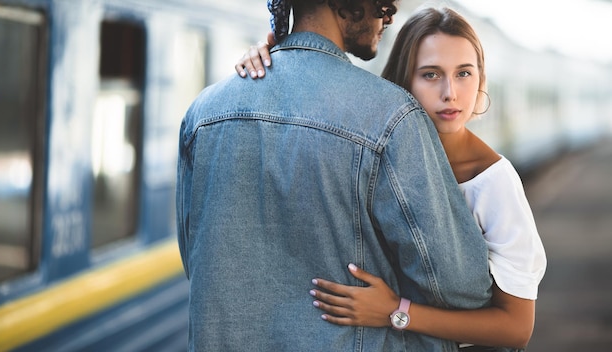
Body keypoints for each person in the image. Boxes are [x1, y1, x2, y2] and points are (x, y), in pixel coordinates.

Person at [177, 1, 494, 351]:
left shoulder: (204, 113)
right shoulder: (391, 116)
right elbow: (461, 285)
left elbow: (198, 259)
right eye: (383, 5)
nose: (387, 18)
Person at [235, 6, 547, 351]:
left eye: (464, 73)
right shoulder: (372, 150)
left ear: (481, 79)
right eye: (430, 74)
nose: (450, 93)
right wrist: (274, 62)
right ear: (403, 81)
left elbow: (516, 328)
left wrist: (395, 313)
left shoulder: (492, 182)